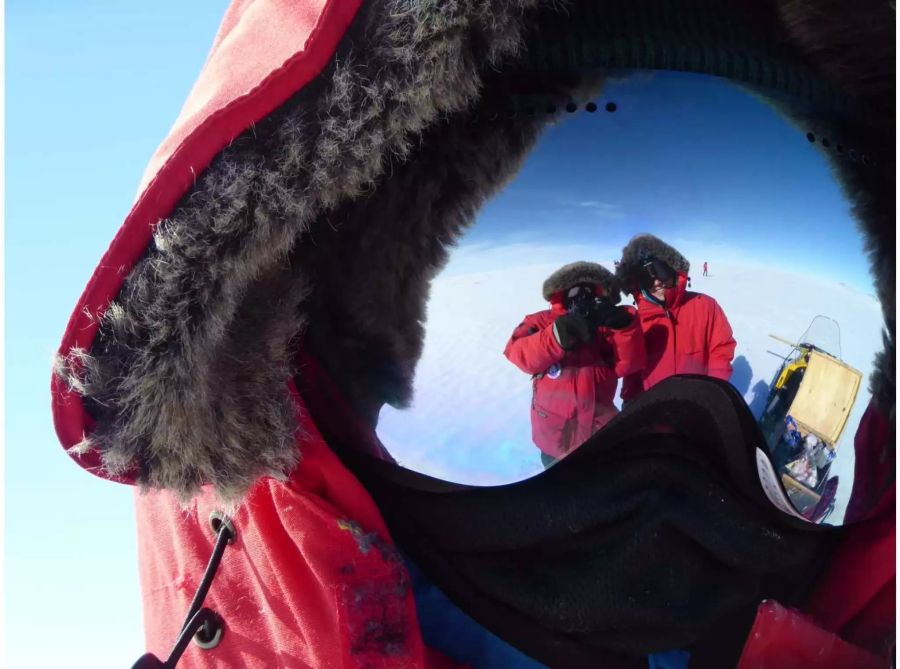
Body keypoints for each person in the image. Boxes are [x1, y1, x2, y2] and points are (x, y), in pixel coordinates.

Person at [48, 1, 894, 668]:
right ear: (289, 366)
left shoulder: (690, 322)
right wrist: (575, 333)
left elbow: (682, 381)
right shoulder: (558, 326)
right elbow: (524, 356)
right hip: (542, 448)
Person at [504, 262, 646, 467]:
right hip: (556, 440)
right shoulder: (541, 322)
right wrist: (556, 336)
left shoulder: (603, 328)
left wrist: (623, 326)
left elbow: (627, 365)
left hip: (601, 435)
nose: (581, 299)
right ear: (561, 296)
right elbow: (518, 352)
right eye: (574, 292)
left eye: (588, 292)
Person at [615, 235, 736, 403]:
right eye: (646, 276)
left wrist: (713, 391)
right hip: (656, 407)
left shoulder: (706, 306)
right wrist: (632, 403)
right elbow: (632, 374)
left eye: (660, 271)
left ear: (673, 270)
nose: (656, 282)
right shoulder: (635, 323)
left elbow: (721, 350)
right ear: (637, 283)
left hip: (698, 402)